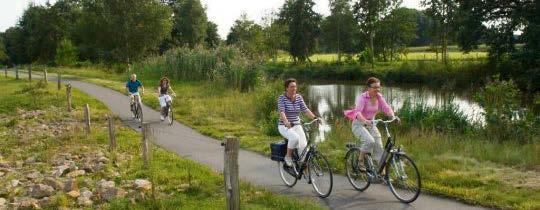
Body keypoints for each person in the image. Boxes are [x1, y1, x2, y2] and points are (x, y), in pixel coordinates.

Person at [344, 77, 398, 170]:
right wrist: (364, 121)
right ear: (368, 88)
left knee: (379, 148)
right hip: (359, 124)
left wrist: (393, 116)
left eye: (379, 87)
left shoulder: (379, 97)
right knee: (369, 141)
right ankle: (360, 160)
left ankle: (382, 172)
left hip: (372, 123)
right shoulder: (362, 97)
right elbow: (357, 112)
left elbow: (386, 108)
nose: (377, 89)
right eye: (375, 87)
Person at [278, 78, 318, 167]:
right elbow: (282, 112)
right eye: (292, 87)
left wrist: (315, 118)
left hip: (297, 124)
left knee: (303, 146)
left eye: (295, 87)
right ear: (286, 88)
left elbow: (305, 110)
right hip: (284, 126)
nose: (294, 89)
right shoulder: (282, 98)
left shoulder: (299, 97)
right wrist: (286, 122)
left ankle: (304, 167)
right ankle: (288, 156)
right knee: (295, 138)